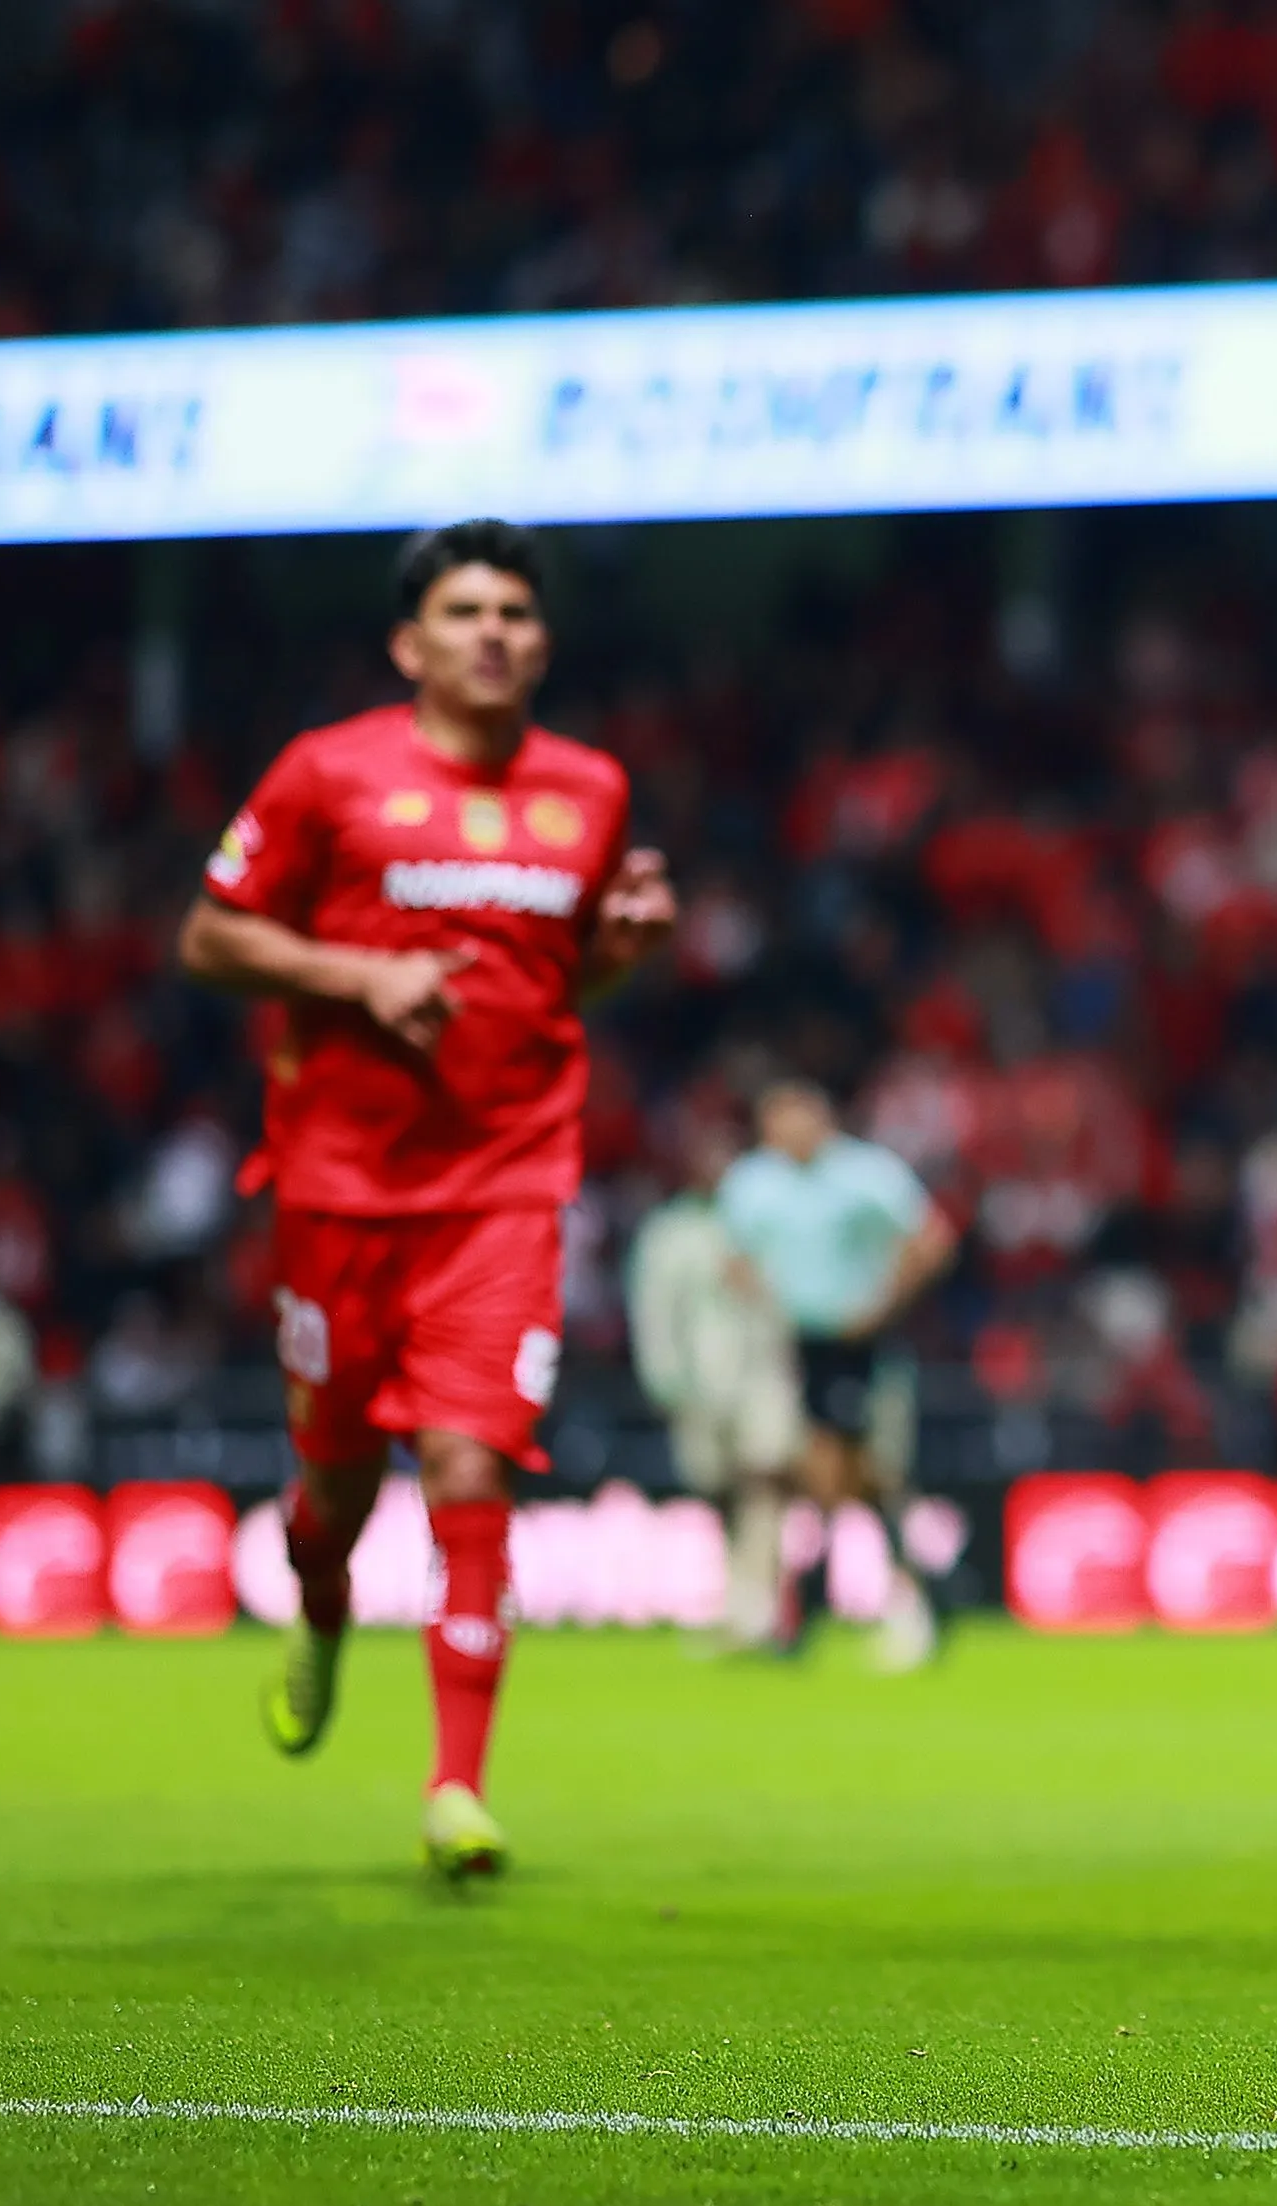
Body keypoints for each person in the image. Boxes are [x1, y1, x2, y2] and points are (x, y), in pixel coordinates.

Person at [180, 519, 676, 1877]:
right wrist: (358, 976)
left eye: (516, 611)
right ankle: (322, 1612)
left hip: (506, 1187)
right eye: (465, 611)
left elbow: (559, 981)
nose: (494, 632)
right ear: (411, 643)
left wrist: (621, 954)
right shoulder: (327, 771)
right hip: (340, 1191)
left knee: (469, 1465)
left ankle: (457, 1785)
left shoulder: (591, 789)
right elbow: (209, 933)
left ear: (544, 642)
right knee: (331, 1493)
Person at [716, 1081, 960, 1669]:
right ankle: (817, 1609)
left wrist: (879, 1307)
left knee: (849, 1474)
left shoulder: (866, 1175)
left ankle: (866, 1606)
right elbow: (735, 1260)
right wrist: (769, 1304)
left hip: (861, 1346)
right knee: (811, 1477)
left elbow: (931, 1240)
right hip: (791, 1347)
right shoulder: (753, 1182)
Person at [625, 1109, 806, 1650]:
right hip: (700, 1386)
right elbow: (654, 1312)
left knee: (765, 1481)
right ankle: (741, 1603)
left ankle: (761, 1609)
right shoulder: (671, 1232)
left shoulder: (765, 1224)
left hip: (764, 1378)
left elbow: (794, 1297)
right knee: (719, 1490)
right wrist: (665, 1381)